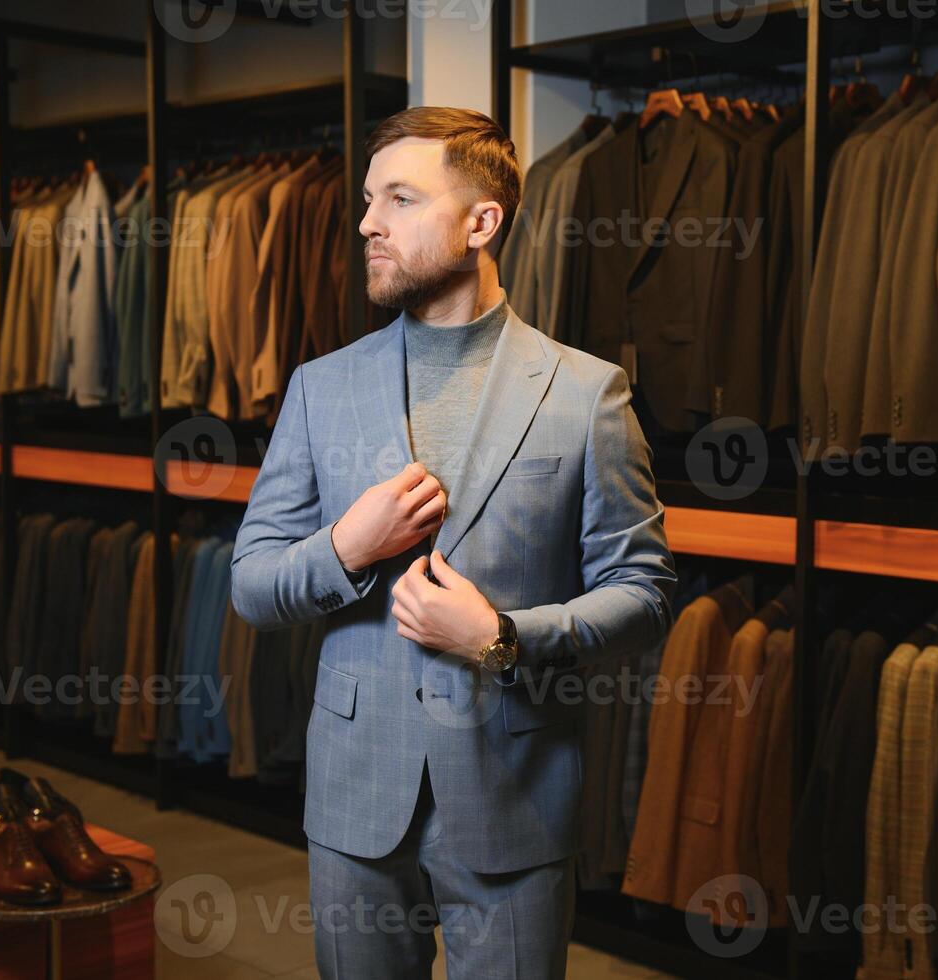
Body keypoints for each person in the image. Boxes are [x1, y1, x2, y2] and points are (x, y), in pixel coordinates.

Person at [231, 106, 677, 978]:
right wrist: (346, 549)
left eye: (399, 198)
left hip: (515, 797)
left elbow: (644, 591)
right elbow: (251, 583)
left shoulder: (587, 394)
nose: (367, 222)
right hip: (357, 797)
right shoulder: (321, 388)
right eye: (368, 200)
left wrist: (503, 638)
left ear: (482, 222)